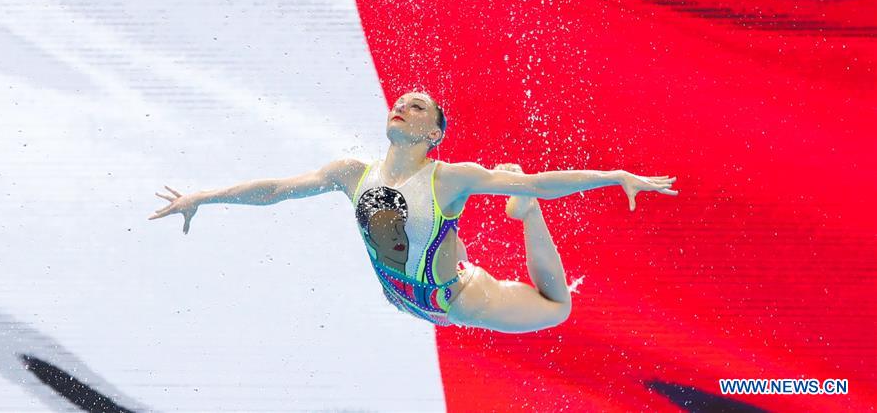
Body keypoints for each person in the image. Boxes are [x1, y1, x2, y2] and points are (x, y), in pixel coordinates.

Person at [149, 92, 677, 333]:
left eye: (417, 106)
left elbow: (541, 181)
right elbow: (278, 190)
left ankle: (527, 215)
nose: (402, 106)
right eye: (399, 103)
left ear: (435, 134)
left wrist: (616, 175)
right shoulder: (351, 173)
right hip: (401, 296)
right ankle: (462, 239)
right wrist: (203, 197)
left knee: (557, 308)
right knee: (427, 230)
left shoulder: (451, 177)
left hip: (456, 300)